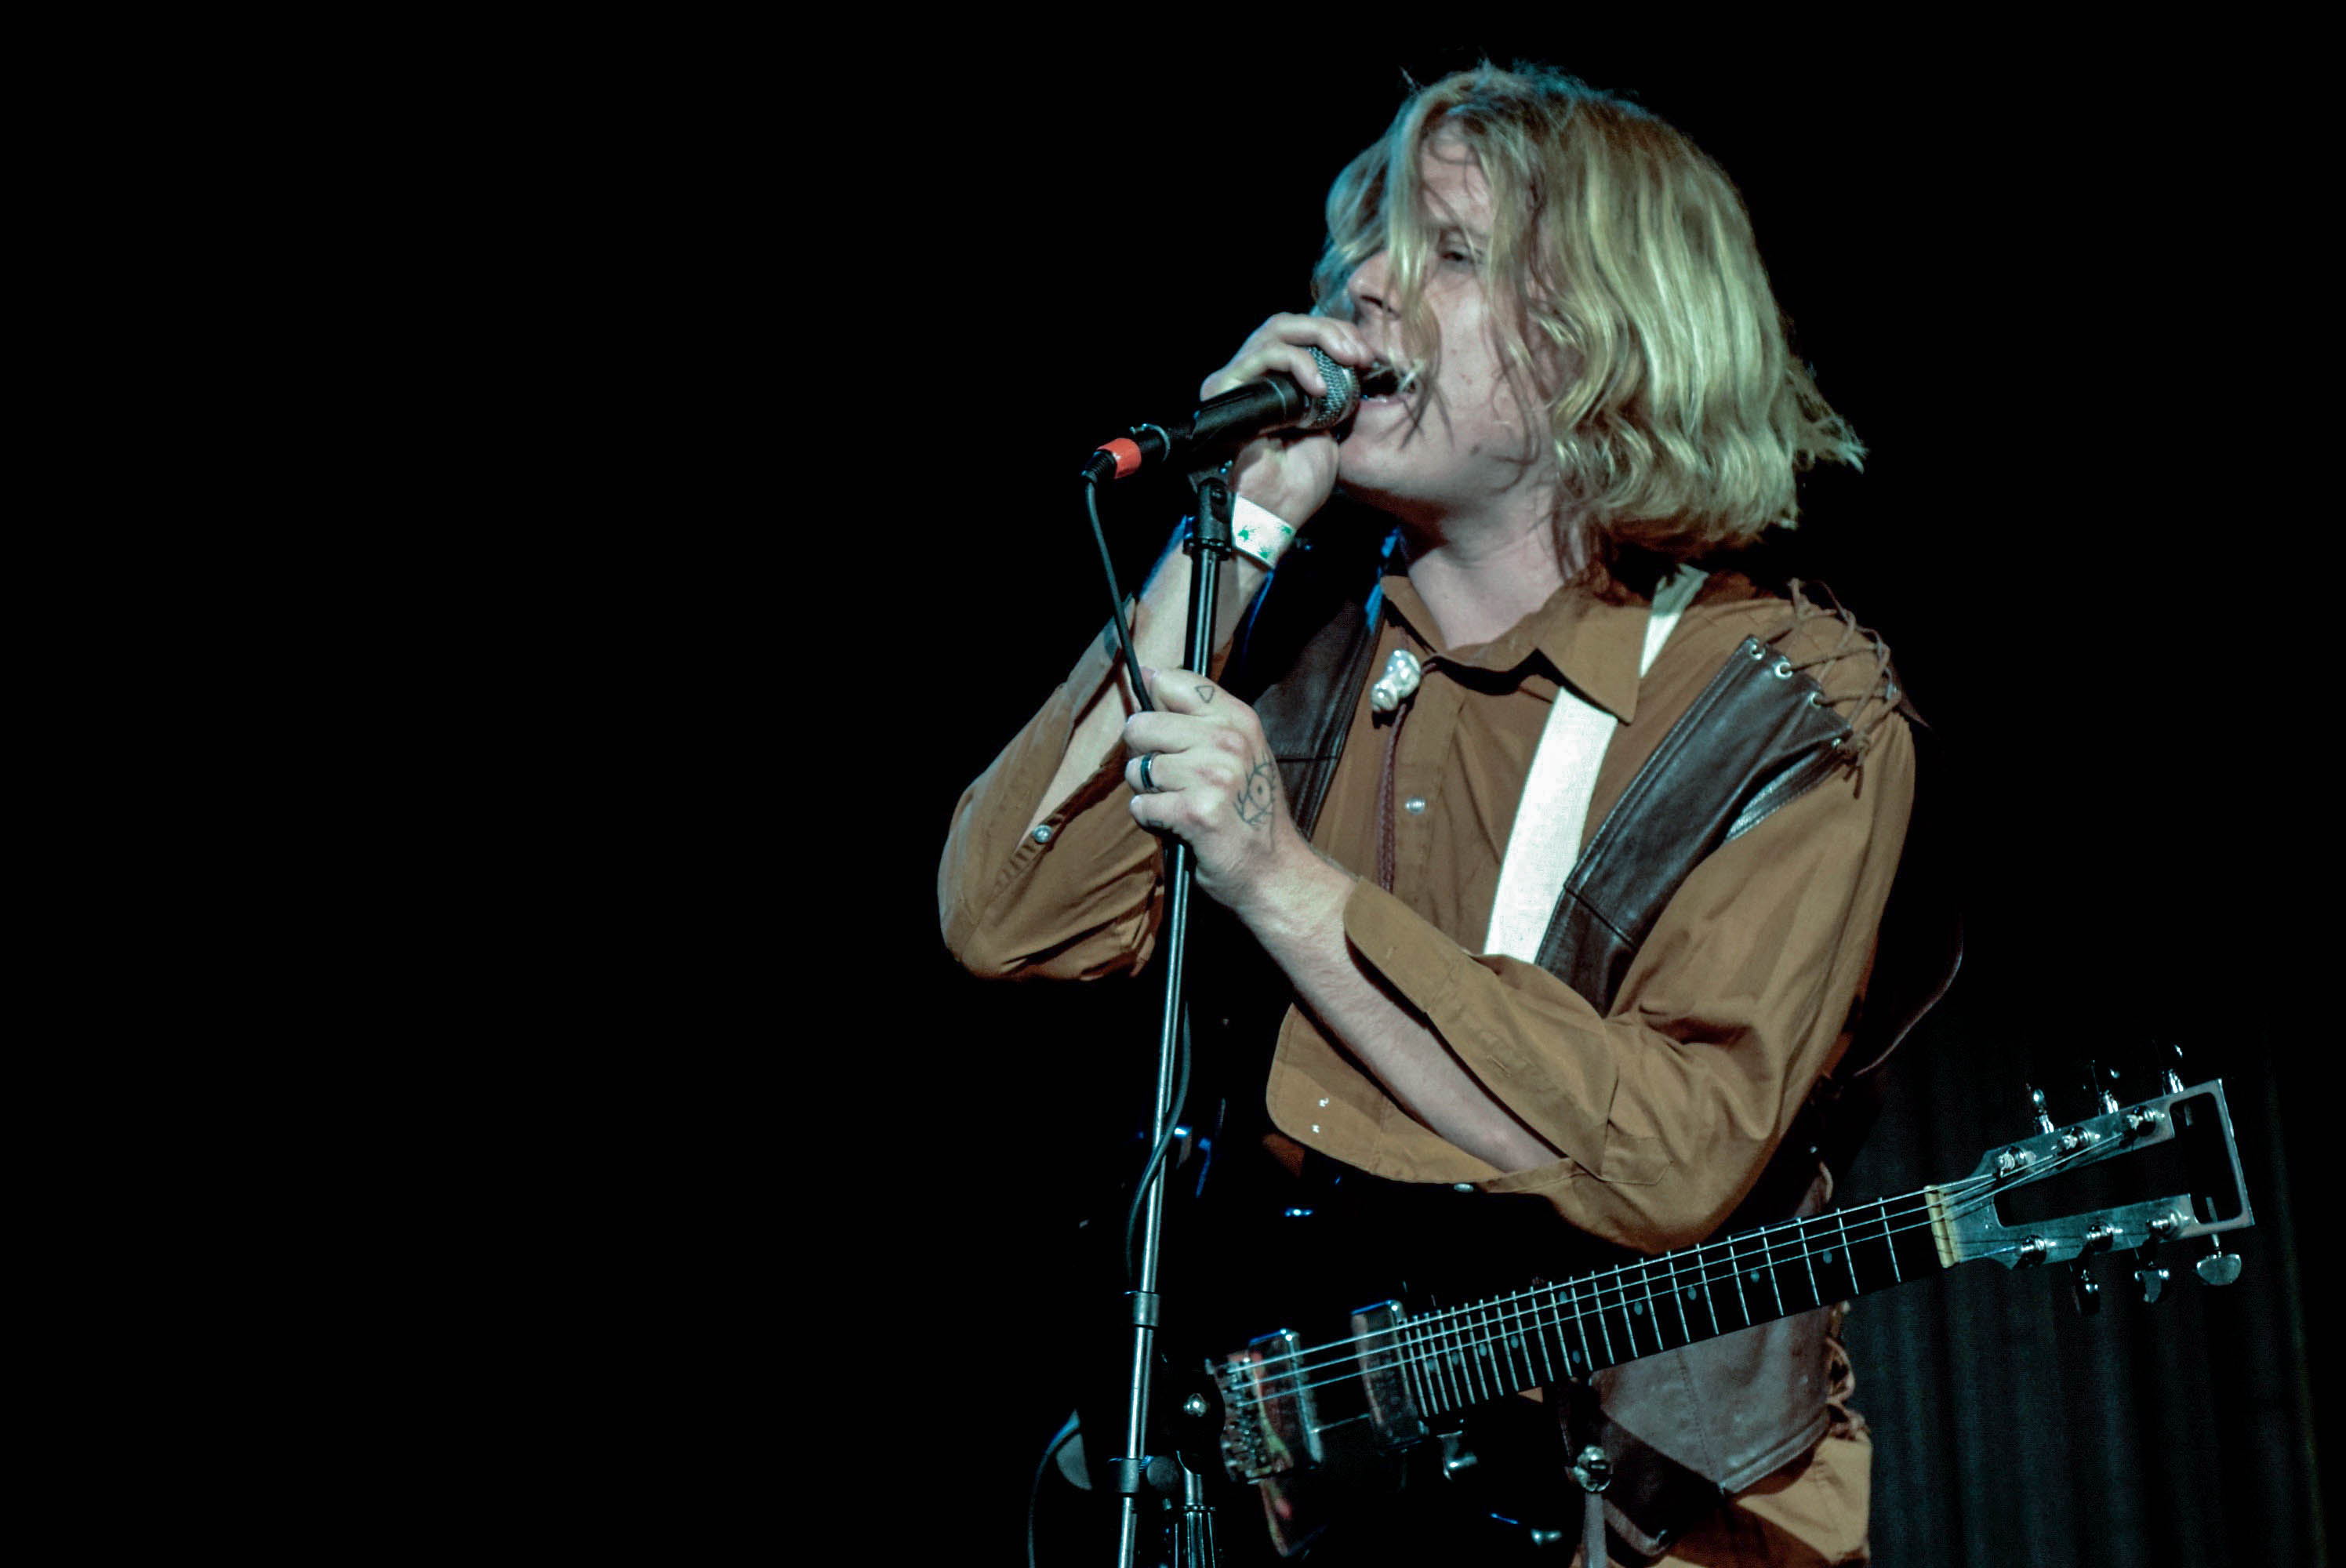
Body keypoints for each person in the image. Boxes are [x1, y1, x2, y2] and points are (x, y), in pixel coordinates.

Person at [942, 64, 1937, 1566]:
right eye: (1360, 250)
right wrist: (1241, 529)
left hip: (1654, 1523)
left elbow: (1670, 1155)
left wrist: (1286, 883)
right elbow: (1009, 917)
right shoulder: (1283, 637)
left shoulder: (1783, 702)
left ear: (1607, 334)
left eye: (1449, 253)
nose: (1364, 289)